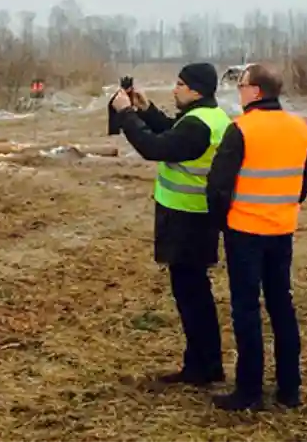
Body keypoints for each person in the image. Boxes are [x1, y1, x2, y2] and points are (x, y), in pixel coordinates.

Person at [109, 63, 231, 386]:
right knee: (194, 293)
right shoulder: (209, 117)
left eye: (179, 84)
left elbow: (155, 147)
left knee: (192, 295)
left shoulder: (198, 125)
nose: (174, 89)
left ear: (196, 89)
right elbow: (170, 133)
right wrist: (146, 110)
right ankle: (204, 363)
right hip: (196, 217)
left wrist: (125, 115)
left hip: (188, 219)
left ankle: (203, 368)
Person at [206, 63, 307, 411]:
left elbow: (219, 185)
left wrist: (222, 221)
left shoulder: (242, 129)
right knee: (282, 306)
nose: (239, 92)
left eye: (242, 86)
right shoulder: (300, 129)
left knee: (246, 310)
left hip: (245, 232)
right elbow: (306, 178)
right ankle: (289, 388)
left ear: (256, 92)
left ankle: (249, 390)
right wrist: (284, 205)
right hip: (281, 230)